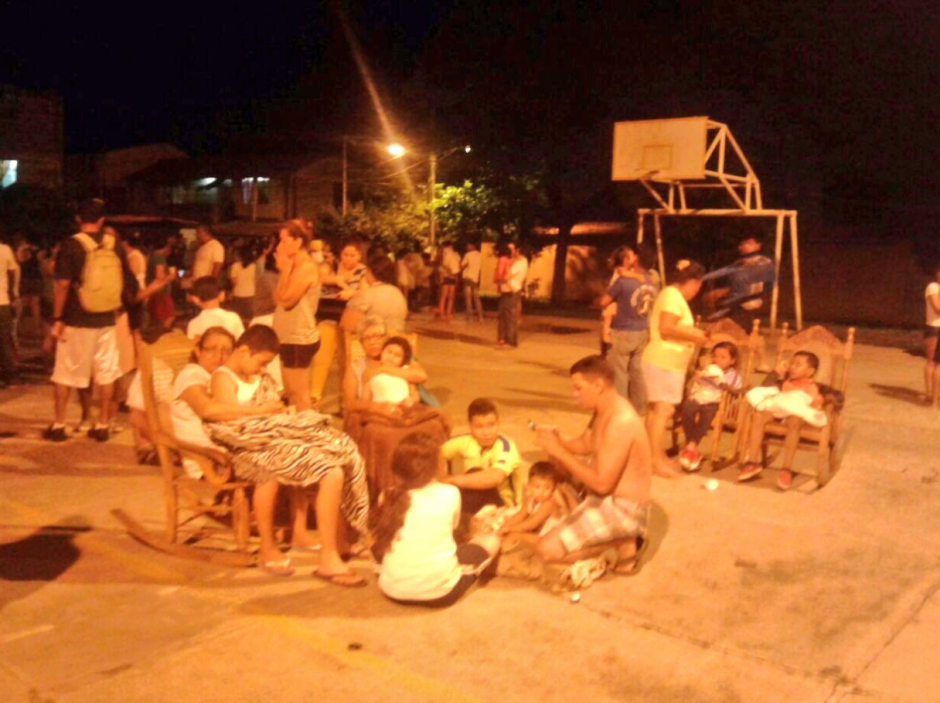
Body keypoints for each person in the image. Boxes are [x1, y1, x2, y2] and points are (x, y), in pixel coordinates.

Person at [206, 325, 368, 584]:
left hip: (276, 439)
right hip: (247, 448)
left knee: (335, 464)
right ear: (244, 351)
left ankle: (324, 545)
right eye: (262, 363)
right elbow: (228, 421)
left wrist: (290, 417)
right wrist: (264, 412)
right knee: (274, 471)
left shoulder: (258, 378)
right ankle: (269, 547)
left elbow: (275, 409)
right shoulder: (223, 377)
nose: (262, 370)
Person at [533, 355, 653, 574]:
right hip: (606, 497)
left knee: (544, 551)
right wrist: (558, 439)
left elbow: (602, 484)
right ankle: (602, 533)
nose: (574, 394)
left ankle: (622, 541)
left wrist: (558, 450)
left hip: (622, 509)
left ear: (598, 385)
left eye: (578, 388)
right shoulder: (604, 410)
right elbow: (585, 444)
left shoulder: (620, 420)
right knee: (558, 466)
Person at [372, 432, 501, 607]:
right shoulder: (449, 492)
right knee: (491, 540)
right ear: (437, 466)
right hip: (441, 593)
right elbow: (454, 530)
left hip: (390, 589)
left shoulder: (386, 495)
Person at [45, 199, 129, 443]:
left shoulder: (70, 246)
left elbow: (62, 285)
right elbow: (123, 280)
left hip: (75, 318)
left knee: (64, 372)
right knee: (106, 372)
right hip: (106, 318)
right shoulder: (115, 245)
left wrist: (57, 318)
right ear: (102, 220)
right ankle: (102, 424)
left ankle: (60, 423)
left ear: (78, 219)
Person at [167, 326, 282, 476]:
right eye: (212, 349)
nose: (219, 356)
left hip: (231, 449)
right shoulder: (191, 376)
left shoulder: (223, 376)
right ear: (198, 351)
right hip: (209, 460)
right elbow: (207, 411)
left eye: (226, 350)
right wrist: (259, 411)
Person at [642, 260, 709, 477]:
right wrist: (696, 336)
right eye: (698, 286)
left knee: (657, 411)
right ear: (690, 282)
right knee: (663, 410)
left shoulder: (671, 295)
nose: (698, 291)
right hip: (665, 360)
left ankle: (653, 455)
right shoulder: (672, 296)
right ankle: (652, 461)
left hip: (667, 360)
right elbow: (666, 327)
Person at [739, 351, 826, 490]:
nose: (792, 367)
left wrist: (814, 403)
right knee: (758, 414)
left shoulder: (810, 387)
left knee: (795, 419)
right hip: (778, 411)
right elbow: (765, 388)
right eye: (792, 363)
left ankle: (786, 468)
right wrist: (776, 372)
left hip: (794, 417)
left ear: (810, 372)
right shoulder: (785, 382)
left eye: (798, 365)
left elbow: (814, 405)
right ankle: (752, 462)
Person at [598, 245, 658, 415]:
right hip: (642, 330)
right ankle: (640, 408)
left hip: (622, 329)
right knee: (637, 371)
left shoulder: (623, 281)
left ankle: (621, 408)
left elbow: (603, 302)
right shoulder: (651, 280)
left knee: (620, 372)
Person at [439, 398, 522, 515]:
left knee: (473, 474)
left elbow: (495, 477)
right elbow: (434, 454)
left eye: (491, 425)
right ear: (470, 426)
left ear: (499, 423)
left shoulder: (506, 447)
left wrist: (451, 479)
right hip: (476, 500)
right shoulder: (466, 442)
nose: (486, 432)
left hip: (504, 507)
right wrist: (441, 473)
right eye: (479, 427)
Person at [272, 220, 320, 411]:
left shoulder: (306, 268)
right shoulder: (293, 266)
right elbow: (277, 297)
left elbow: (287, 301)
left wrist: (284, 270)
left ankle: (312, 433)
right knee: (291, 394)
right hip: (287, 337)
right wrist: (285, 270)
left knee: (300, 396)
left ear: (298, 242)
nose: (279, 246)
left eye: (283, 241)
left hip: (299, 339)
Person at [677, 341, 742, 472]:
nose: (717, 360)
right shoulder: (708, 369)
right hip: (699, 397)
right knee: (687, 408)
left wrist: (723, 385)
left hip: (716, 403)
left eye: (723, 357)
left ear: (732, 360)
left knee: (707, 414)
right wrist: (698, 376)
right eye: (715, 356)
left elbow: (736, 392)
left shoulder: (733, 375)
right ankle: (693, 446)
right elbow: (698, 381)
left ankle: (691, 446)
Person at [701, 235, 775, 330]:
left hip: (746, 308)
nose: (742, 247)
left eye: (748, 244)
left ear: (758, 246)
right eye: (741, 244)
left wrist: (722, 292)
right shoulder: (741, 262)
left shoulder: (763, 262)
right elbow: (726, 273)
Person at [497, 461, 572, 541]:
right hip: (541, 535)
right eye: (537, 487)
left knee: (515, 535)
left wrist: (509, 529)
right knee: (508, 533)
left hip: (555, 538)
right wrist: (504, 526)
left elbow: (531, 524)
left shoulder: (549, 504)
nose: (541, 492)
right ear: (530, 485)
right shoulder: (531, 499)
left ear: (553, 488)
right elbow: (520, 515)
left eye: (547, 488)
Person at [341, 255, 408, 337]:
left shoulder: (367, 294)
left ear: (371, 272)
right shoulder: (398, 294)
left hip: (371, 343)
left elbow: (346, 326)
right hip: (393, 342)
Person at [363, 336, 419, 409]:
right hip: (381, 410)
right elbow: (366, 398)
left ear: (403, 360)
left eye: (397, 355)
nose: (391, 357)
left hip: (404, 409)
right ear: (382, 351)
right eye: (389, 352)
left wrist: (411, 401)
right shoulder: (372, 371)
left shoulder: (404, 371)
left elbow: (415, 394)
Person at [186, 277, 245, 341]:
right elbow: (242, 342)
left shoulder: (194, 324)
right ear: (222, 295)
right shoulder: (233, 318)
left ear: (195, 299)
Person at [0, 226, 20, 387]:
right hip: (2, 301)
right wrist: (13, 294)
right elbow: (12, 272)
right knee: (5, 340)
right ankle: (10, 376)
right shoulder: (5, 249)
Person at [497, 243, 527, 349]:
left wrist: (502, 279)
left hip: (510, 291)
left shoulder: (518, 263)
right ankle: (511, 340)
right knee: (511, 317)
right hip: (514, 290)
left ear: (518, 251)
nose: (512, 252)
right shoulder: (524, 261)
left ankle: (509, 341)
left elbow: (506, 277)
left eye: (514, 250)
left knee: (508, 317)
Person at [228, 245, 256, 322]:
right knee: (249, 319)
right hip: (251, 295)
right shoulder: (254, 267)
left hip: (238, 295)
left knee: (238, 319)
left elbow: (234, 282)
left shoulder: (235, 266)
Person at [925, 264, 940, 404]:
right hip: (934, 327)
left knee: (938, 364)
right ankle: (930, 394)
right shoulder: (933, 287)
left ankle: (935, 396)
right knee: (932, 361)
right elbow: (937, 308)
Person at [435, 242, 461, 322]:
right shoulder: (444, 255)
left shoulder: (454, 255)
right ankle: (443, 313)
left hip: (450, 277)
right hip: (447, 277)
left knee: (450, 297)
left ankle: (448, 313)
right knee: (445, 296)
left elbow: (457, 265)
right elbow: (442, 266)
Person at [461, 242, 484, 322]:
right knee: (476, 298)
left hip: (467, 278)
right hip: (475, 278)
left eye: (468, 246)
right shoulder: (480, 255)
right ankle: (480, 316)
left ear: (472, 246)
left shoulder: (468, 255)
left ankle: (470, 316)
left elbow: (462, 266)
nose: (467, 247)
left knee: (468, 298)